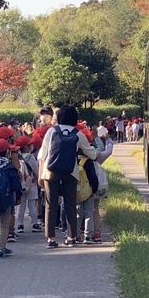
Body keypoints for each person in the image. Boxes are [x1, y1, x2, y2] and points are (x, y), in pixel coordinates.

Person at [37, 104, 98, 249]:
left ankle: (51, 238)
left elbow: (42, 155)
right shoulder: (78, 134)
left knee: (51, 205)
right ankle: (71, 237)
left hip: (50, 171)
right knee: (71, 204)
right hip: (71, 172)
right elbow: (92, 154)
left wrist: (40, 175)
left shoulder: (52, 131)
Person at [14, 135, 41, 234]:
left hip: (20, 184)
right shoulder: (30, 157)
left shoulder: (16, 157)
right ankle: (35, 224)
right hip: (31, 183)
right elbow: (36, 170)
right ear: (26, 147)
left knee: (21, 206)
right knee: (32, 205)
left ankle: (20, 225)